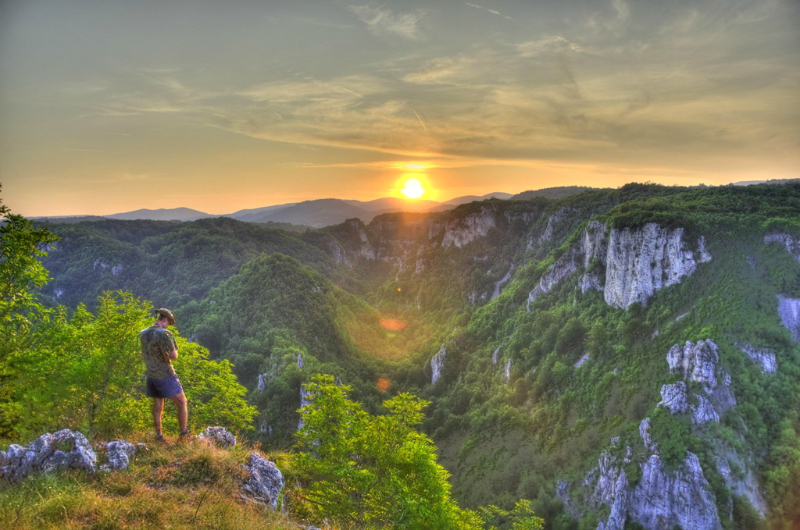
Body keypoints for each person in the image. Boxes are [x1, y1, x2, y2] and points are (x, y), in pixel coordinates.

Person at [139, 308, 189, 440]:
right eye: (168, 323)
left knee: (157, 407)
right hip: (165, 374)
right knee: (182, 402)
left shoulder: (142, 333)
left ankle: (159, 436)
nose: (168, 326)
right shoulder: (165, 334)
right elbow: (174, 356)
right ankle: (183, 434)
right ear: (165, 320)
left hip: (151, 374)